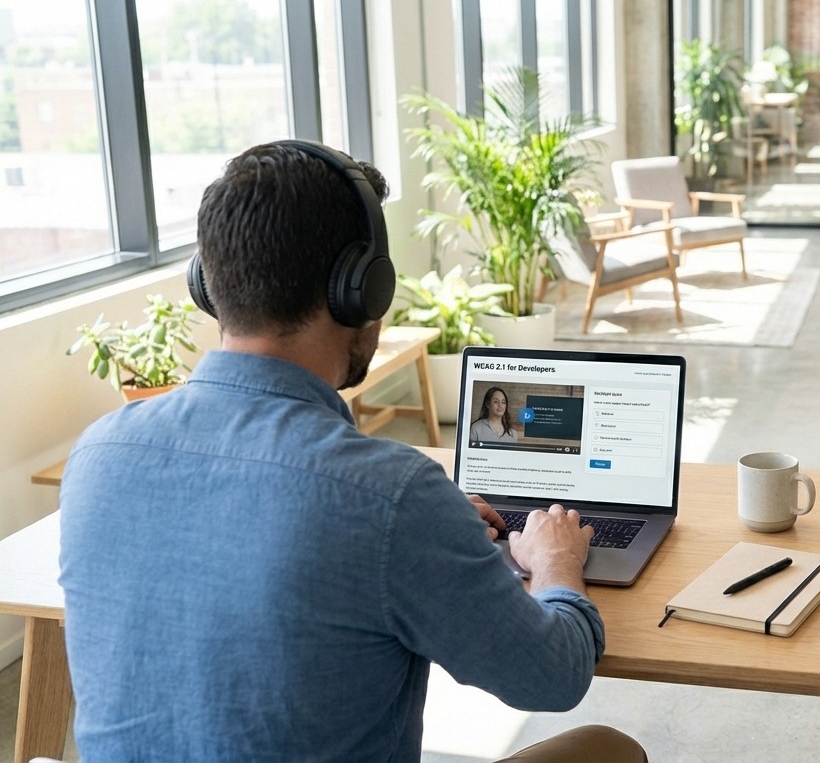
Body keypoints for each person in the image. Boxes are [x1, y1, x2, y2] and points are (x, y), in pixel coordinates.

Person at [57, 141, 646, 762]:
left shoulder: (99, 453)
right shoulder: (391, 497)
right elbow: (551, 678)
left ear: (207, 283)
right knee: (607, 748)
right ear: (363, 290)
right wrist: (555, 566)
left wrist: (432, 530)